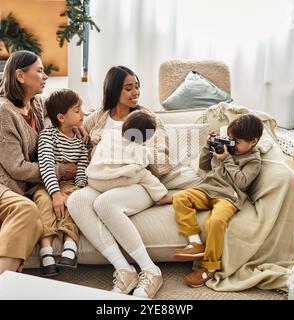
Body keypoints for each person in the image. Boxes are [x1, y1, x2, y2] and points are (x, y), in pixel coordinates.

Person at [0, 50, 83, 293]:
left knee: (29, 210)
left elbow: (65, 113)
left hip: (12, 188)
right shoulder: (1, 112)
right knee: (26, 209)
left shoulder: (36, 104)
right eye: (40, 71)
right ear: (20, 75)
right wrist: (62, 170)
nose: (45, 76)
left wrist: (80, 125)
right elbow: (18, 168)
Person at [68, 66, 201, 299]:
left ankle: (151, 271)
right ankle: (124, 269)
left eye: (137, 86)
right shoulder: (98, 117)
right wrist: (94, 148)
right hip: (105, 180)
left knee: (105, 204)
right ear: (113, 90)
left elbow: (163, 163)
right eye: (128, 88)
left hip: (138, 182)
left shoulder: (149, 120)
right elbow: (81, 143)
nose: (135, 92)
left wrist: (136, 152)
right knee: (77, 200)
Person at [172, 114, 263, 287]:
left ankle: (210, 267)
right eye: (229, 139)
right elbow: (204, 166)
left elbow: (242, 182)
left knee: (215, 221)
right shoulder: (227, 146)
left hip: (229, 197)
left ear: (253, 141)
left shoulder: (253, 160)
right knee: (179, 197)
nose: (231, 144)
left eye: (236, 142)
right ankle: (195, 243)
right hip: (208, 189)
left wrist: (227, 159)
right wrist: (208, 146)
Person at [35, 89, 89, 277]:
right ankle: (46, 253)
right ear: (61, 117)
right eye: (77, 110)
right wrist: (55, 193)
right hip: (48, 184)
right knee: (44, 203)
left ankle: (69, 248)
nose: (82, 113)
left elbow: (83, 166)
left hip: (71, 184)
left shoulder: (81, 140)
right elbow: (47, 166)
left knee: (74, 203)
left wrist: (79, 187)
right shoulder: (47, 135)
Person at [85, 109, 171, 205]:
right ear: (146, 138)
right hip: (112, 182)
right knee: (143, 173)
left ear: (124, 125)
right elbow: (145, 164)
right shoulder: (140, 150)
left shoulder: (109, 135)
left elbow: (94, 154)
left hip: (93, 180)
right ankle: (162, 196)